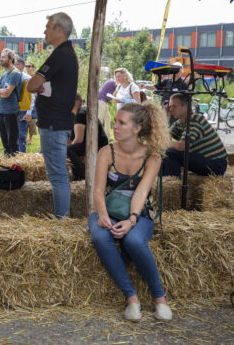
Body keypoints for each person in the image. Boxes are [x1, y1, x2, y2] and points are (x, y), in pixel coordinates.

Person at [88, 102, 173, 322]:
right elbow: (97, 190)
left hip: (138, 212)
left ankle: (159, 299)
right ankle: (132, 299)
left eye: (121, 122)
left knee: (133, 241)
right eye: (115, 121)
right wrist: (103, 215)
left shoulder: (152, 156)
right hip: (109, 208)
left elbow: (142, 192)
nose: (115, 126)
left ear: (136, 129)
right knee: (99, 235)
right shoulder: (107, 151)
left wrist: (132, 221)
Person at [27, 13, 78, 218]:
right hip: (55, 123)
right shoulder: (66, 54)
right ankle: (61, 219)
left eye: (48, 27)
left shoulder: (60, 54)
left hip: (55, 125)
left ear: (59, 29)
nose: (44, 31)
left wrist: (40, 86)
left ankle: (61, 221)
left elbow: (32, 85)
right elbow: (40, 85)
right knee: (57, 176)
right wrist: (42, 86)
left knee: (58, 177)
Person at [162, 93, 227, 177]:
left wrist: (160, 142)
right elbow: (162, 135)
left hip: (216, 164)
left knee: (170, 153)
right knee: (163, 152)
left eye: (174, 106)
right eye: (169, 107)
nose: (170, 109)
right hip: (205, 160)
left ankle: (173, 184)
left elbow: (181, 146)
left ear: (186, 107)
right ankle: (168, 182)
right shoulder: (179, 123)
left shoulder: (196, 119)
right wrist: (164, 116)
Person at [68, 92, 109, 180]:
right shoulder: (78, 113)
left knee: (67, 151)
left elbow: (78, 139)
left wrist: (67, 147)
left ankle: (82, 175)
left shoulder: (81, 114)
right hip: (92, 142)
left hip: (97, 144)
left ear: (77, 102)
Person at [0, 49, 22, 157]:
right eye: (1, 57)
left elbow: (6, 95)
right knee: (5, 144)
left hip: (11, 112)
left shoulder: (15, 74)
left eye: (4, 57)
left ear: (10, 59)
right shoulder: (4, 75)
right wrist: (0, 91)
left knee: (13, 144)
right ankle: (7, 166)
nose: (1, 59)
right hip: (1, 112)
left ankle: (14, 168)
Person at [14, 57, 35, 153]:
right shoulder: (10, 77)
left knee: (22, 134)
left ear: (21, 66)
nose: (14, 66)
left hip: (23, 109)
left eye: (16, 64)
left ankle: (22, 154)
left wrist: (29, 111)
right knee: (12, 134)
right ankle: (12, 154)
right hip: (12, 109)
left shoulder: (28, 79)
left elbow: (32, 97)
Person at [25, 61, 38, 145]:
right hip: (26, 100)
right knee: (24, 119)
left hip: (33, 100)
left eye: (29, 66)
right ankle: (25, 137)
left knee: (32, 120)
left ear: (33, 67)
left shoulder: (35, 77)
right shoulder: (24, 76)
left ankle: (30, 139)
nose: (27, 68)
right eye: (26, 66)